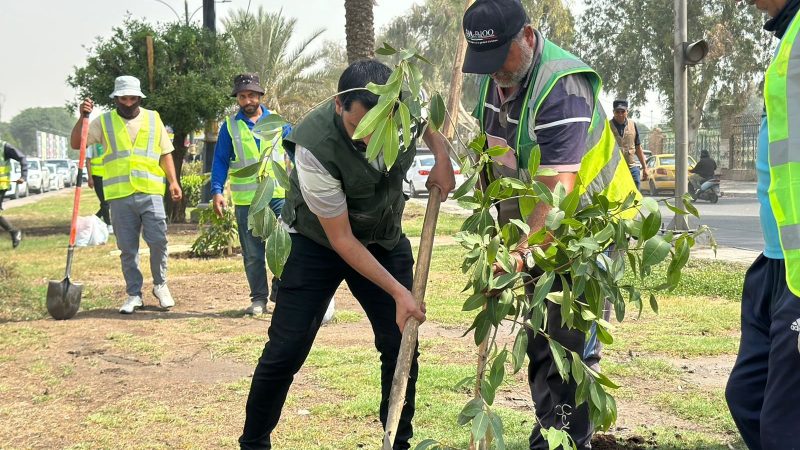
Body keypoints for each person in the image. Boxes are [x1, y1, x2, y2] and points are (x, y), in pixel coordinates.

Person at [238, 59, 455, 450]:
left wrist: (441, 157)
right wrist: (398, 292)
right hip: (317, 242)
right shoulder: (314, 148)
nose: (370, 140)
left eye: (380, 129)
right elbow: (341, 240)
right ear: (339, 105)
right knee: (286, 348)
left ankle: (396, 441)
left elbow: (427, 123)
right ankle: (254, 443)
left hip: (382, 239)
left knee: (399, 341)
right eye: (359, 128)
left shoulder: (405, 105)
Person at [462, 0, 639, 448]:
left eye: (501, 55)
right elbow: (495, 164)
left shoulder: (563, 84)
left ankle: (562, 437)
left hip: (591, 226)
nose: (495, 70)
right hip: (539, 229)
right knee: (546, 333)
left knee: (562, 338)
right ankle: (560, 426)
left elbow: (556, 189)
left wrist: (520, 255)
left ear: (527, 35)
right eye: (485, 60)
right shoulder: (493, 81)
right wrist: (496, 248)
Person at [726, 0, 800, 448]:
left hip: (798, 270)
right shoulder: (788, 34)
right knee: (747, 394)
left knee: (782, 426)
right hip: (776, 262)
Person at [70, 75, 182, 314]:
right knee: (127, 248)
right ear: (116, 99)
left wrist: (173, 182)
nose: (129, 102)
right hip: (120, 195)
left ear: (140, 98)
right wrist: (83, 117)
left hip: (151, 191)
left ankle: (160, 285)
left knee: (159, 241)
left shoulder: (154, 119)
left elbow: (165, 153)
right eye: (124, 98)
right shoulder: (104, 122)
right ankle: (134, 294)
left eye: (133, 98)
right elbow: (77, 143)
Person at [211, 73, 289, 316]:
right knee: (254, 254)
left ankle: (281, 291)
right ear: (238, 99)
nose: (247, 100)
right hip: (248, 201)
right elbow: (221, 161)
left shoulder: (278, 122)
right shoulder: (230, 127)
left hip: (278, 197)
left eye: (252, 95)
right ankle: (259, 299)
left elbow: (297, 151)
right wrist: (216, 190)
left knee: (286, 247)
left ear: (260, 96)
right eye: (242, 96)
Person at [609, 99, 649, 190]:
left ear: (627, 112)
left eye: (623, 111)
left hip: (631, 167)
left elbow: (638, 148)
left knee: (635, 194)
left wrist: (645, 168)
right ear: (613, 112)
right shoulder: (607, 126)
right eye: (617, 112)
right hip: (614, 169)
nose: (620, 114)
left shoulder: (633, 125)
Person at [0, 140, 27, 248]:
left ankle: (14, 232)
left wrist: (23, 176)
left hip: (1, 185)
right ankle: (14, 232)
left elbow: (22, 158)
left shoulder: (4, 147)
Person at [86, 143, 113, 233]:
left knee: (108, 201)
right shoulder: (92, 146)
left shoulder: (108, 143)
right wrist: (90, 178)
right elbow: (88, 161)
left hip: (108, 176)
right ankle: (108, 224)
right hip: (97, 176)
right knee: (105, 202)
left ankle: (94, 219)